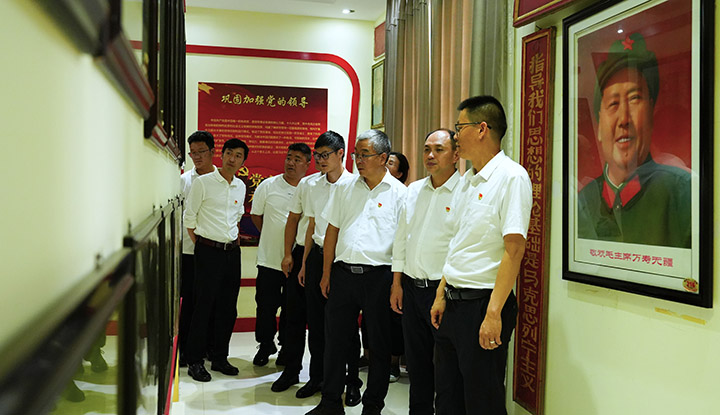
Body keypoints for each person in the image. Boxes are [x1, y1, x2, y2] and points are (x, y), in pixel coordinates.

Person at [430, 96, 532, 414]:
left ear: (482, 129)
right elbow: (458, 243)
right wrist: (441, 293)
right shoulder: (467, 181)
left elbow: (514, 250)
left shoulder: (512, 178)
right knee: (447, 397)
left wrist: (493, 314)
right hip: (453, 303)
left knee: (482, 401)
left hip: (483, 305)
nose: (456, 135)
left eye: (460, 127)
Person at [307, 129, 407, 415]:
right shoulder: (346, 188)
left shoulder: (400, 194)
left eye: (365, 155)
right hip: (343, 274)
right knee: (335, 341)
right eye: (356, 154)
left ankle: (372, 406)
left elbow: (402, 243)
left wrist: (397, 283)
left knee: (378, 344)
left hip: (380, 277)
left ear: (383, 158)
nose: (358, 160)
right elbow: (332, 231)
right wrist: (326, 273)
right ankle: (330, 403)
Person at [577, 32, 691, 248]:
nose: (624, 119)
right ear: (599, 128)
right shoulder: (583, 202)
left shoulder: (683, 194)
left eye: (634, 98)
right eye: (613, 104)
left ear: (651, 113)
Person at [276, 131, 362, 404]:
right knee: (315, 323)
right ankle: (318, 377)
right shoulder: (311, 184)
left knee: (346, 326)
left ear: (341, 154)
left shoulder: (356, 184)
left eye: (326, 155)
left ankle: (352, 381)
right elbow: (310, 226)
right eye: (317, 155)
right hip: (316, 256)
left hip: (342, 260)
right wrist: (303, 264)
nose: (321, 160)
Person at [391, 128, 460, 414]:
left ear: (456, 155)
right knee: (417, 365)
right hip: (411, 288)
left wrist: (441, 294)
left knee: (446, 369)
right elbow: (401, 238)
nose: (430, 155)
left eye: (439, 149)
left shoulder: (464, 192)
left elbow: (459, 248)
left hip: (444, 294)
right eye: (426, 149)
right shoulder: (414, 190)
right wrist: (396, 283)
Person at [183, 138, 249, 382]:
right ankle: (195, 361)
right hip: (208, 251)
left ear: (243, 161)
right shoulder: (203, 183)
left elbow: (237, 218)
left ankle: (220, 357)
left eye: (238, 155)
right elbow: (189, 219)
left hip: (232, 253)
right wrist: (203, 244)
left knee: (227, 308)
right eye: (229, 153)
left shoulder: (240, 186)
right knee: (203, 306)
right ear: (221, 154)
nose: (232, 159)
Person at [250, 143, 311, 367]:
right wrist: (272, 235)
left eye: (297, 159)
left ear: (307, 164)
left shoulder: (310, 189)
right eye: (289, 158)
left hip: (297, 261)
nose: (291, 163)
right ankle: (265, 344)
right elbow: (256, 217)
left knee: (291, 308)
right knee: (265, 306)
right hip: (269, 259)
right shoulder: (268, 185)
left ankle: (286, 346)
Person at [179, 130, 217, 367]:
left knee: (211, 302)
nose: (197, 157)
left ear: (212, 152)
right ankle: (186, 349)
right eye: (193, 152)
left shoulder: (220, 179)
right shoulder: (184, 181)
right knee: (190, 303)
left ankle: (208, 347)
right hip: (188, 252)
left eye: (201, 151)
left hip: (213, 253)